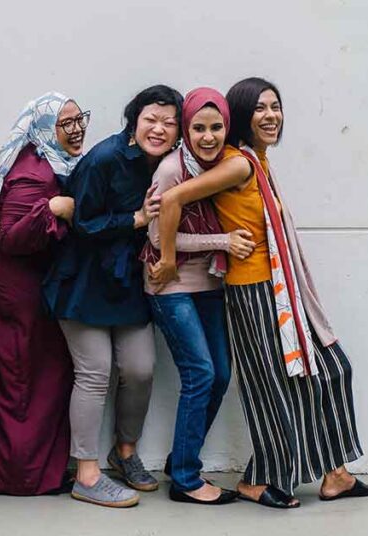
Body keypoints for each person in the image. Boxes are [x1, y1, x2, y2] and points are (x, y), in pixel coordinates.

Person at [151, 77, 368, 508]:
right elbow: (173, 199)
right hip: (253, 290)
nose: (271, 115)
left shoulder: (257, 160)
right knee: (273, 385)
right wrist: (166, 259)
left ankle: (336, 473)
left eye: (275, 106)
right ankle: (259, 480)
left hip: (278, 287)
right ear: (241, 116)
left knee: (329, 370)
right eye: (259, 108)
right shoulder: (239, 164)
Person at [42, 85, 180, 508]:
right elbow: (82, 223)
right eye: (151, 120)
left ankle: (125, 453)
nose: (159, 129)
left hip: (128, 283)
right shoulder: (104, 158)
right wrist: (134, 219)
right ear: (133, 121)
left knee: (140, 368)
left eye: (169, 123)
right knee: (95, 372)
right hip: (83, 282)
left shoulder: (172, 164)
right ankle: (86, 474)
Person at [0, 92, 87, 495]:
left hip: (19, 282)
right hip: (13, 286)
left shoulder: (47, 157)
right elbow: (13, 237)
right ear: (45, 128)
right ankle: (18, 475)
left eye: (79, 119)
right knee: (23, 381)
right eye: (65, 123)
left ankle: (20, 469)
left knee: (23, 376)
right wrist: (55, 208)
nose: (77, 129)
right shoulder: (34, 172)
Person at [141, 87, 251, 505]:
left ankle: (181, 459)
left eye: (216, 127)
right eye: (198, 128)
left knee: (220, 374)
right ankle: (187, 479)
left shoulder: (223, 166)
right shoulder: (172, 170)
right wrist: (223, 240)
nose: (208, 137)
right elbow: (158, 238)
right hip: (169, 284)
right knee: (200, 373)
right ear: (186, 130)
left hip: (208, 282)